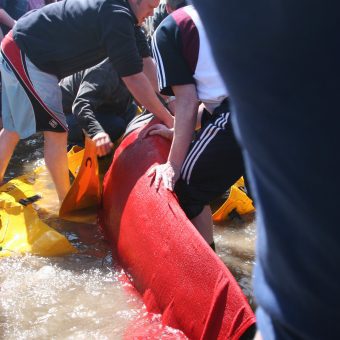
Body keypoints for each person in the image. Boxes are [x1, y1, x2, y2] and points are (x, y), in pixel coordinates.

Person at [192, 0, 340, 339]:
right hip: (292, 309)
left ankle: (213, 273)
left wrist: (172, 160)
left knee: (189, 188)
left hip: (298, 311)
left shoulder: (178, 30)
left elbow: (191, 101)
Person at [0, 0, 173, 202]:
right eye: (151, 6)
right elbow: (133, 78)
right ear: (135, 1)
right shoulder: (117, 16)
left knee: (13, 129)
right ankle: (66, 200)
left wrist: (169, 100)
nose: (152, 14)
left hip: (22, 47)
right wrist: (169, 120)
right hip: (24, 52)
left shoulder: (129, 21)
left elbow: (146, 63)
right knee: (57, 131)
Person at [148, 5, 246, 249]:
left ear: (167, 7)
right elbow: (213, 100)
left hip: (243, 111)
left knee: (188, 189)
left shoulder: (168, 29)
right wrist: (179, 133)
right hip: (287, 108)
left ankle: (207, 276)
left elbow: (187, 101)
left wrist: (172, 165)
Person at [60, 58, 138, 157]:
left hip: (97, 105)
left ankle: (106, 146)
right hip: (66, 115)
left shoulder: (135, 64)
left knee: (132, 110)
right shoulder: (104, 71)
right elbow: (80, 106)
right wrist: (97, 133)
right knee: (116, 126)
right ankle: (79, 149)